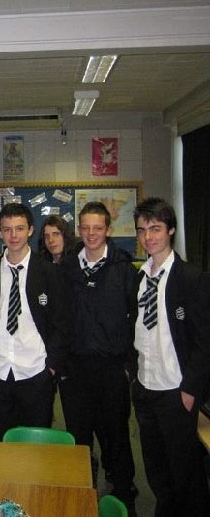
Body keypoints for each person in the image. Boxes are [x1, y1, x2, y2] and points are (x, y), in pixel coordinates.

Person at [131, 197, 210, 516]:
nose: (148, 237)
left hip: (176, 391)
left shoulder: (191, 278)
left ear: (171, 230)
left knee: (185, 470)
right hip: (145, 387)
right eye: (142, 230)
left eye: (155, 229)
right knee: (156, 467)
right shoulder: (140, 278)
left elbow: (205, 341)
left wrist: (191, 388)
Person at [59, 202, 137, 512]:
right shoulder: (66, 269)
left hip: (112, 369)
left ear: (108, 230)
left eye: (98, 228)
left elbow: (137, 319)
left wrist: (129, 365)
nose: (91, 234)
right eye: (86, 228)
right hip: (75, 371)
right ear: (79, 229)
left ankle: (124, 494)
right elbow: (59, 319)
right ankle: (82, 496)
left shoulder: (123, 268)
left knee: (116, 436)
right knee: (78, 439)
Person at [0, 203, 70, 442]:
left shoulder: (49, 272)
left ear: (30, 230)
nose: (13, 235)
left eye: (19, 228)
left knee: (33, 447)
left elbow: (62, 323)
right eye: (7, 229)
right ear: (0, 233)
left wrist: (51, 367)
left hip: (35, 372)